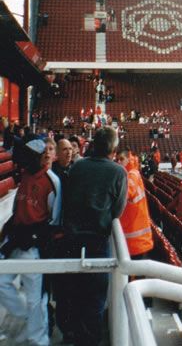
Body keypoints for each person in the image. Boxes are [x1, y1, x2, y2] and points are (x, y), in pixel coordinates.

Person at [60, 126, 127, 346]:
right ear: (113, 148)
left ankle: (75, 338)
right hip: (97, 243)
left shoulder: (78, 167)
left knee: (75, 296)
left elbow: (67, 200)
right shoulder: (118, 172)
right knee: (95, 301)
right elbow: (117, 210)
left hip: (71, 241)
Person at [0, 137, 61, 346]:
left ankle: (39, 340)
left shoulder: (52, 181)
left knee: (36, 298)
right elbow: (18, 209)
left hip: (35, 247)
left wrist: (38, 239)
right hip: (16, 241)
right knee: (1, 282)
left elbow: (54, 219)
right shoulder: (25, 176)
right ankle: (25, 315)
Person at [116, 146, 154, 259]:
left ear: (128, 158)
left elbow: (126, 193)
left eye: (121, 159)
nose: (118, 162)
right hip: (134, 238)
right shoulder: (128, 173)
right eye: (117, 160)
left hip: (137, 240)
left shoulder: (132, 174)